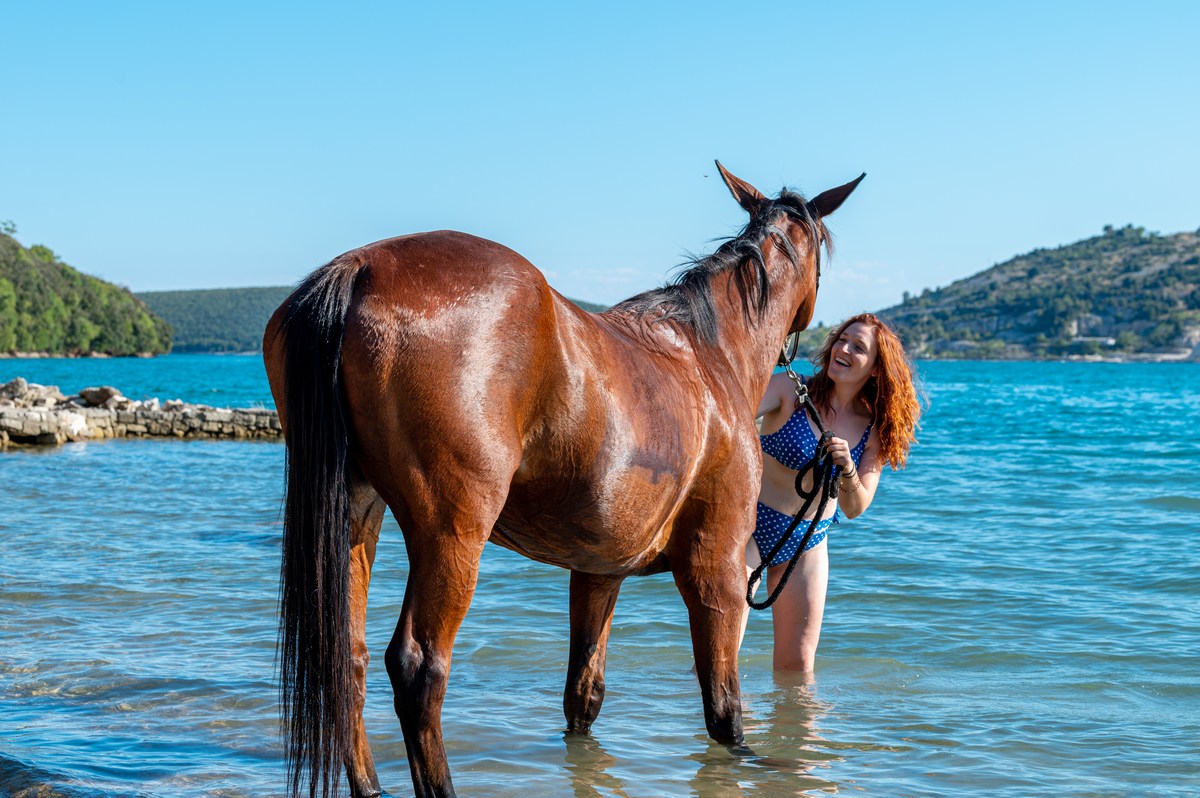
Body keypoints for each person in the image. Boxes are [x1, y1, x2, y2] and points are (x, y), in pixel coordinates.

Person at [743, 313, 921, 674]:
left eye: (858, 347)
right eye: (842, 339)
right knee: (720, 653)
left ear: (874, 368)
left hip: (806, 542)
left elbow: (856, 507)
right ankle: (699, 726)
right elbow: (729, 416)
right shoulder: (790, 389)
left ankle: (792, 732)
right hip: (748, 524)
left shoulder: (872, 430)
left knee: (797, 668)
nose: (844, 349)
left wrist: (848, 470)